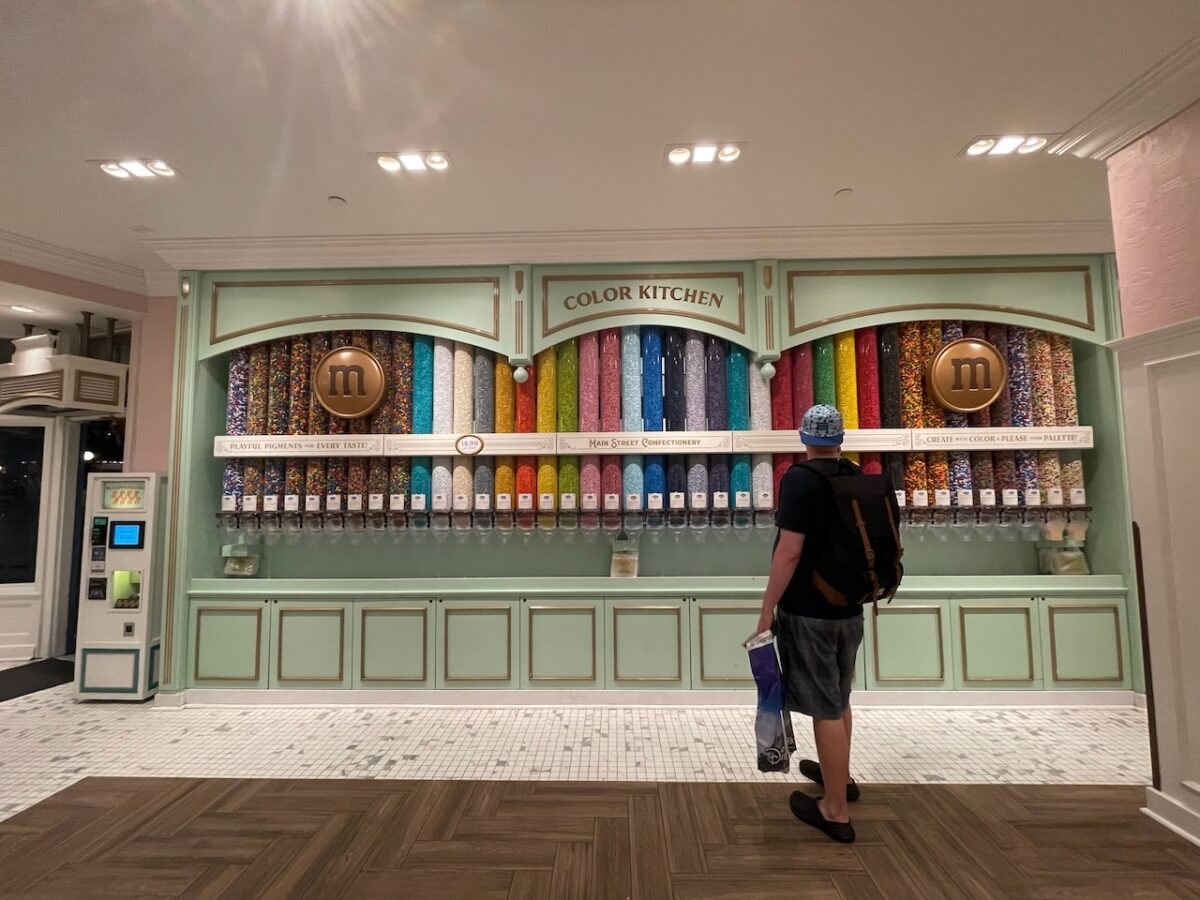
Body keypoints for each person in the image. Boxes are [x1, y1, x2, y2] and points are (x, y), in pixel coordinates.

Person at [754, 404, 865, 844]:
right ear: (840, 438)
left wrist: (767, 608)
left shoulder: (800, 480)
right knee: (839, 697)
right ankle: (841, 777)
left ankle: (834, 810)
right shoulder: (854, 474)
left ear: (804, 438)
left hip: (810, 612)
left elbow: (789, 552)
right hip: (849, 609)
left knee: (824, 708)